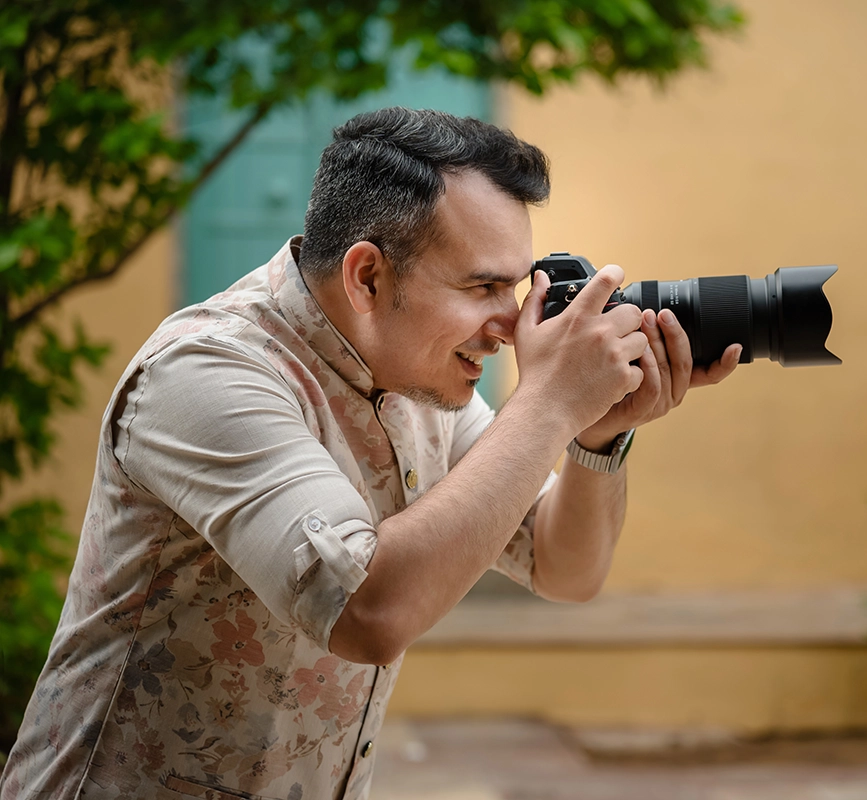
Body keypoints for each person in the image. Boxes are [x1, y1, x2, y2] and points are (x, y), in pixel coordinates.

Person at [0, 107, 740, 800]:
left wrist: (595, 435)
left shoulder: (419, 374)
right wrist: (550, 403)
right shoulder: (205, 373)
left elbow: (563, 567)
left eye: (514, 288)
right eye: (484, 286)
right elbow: (367, 612)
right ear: (367, 276)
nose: (511, 326)